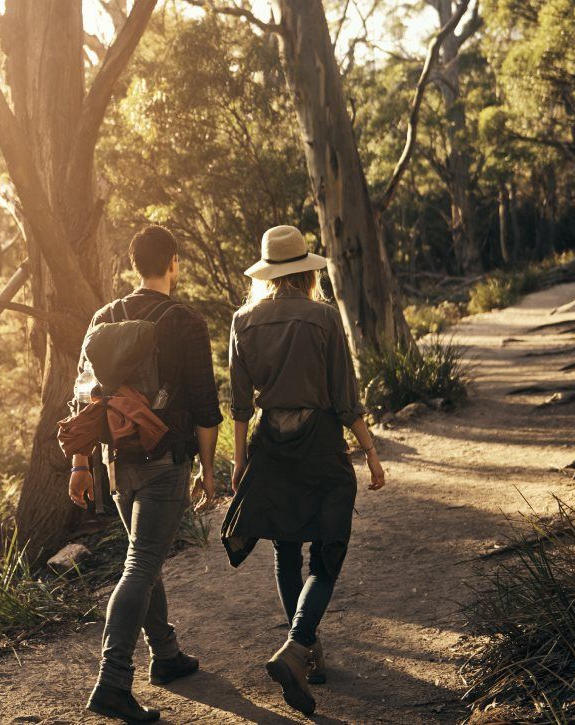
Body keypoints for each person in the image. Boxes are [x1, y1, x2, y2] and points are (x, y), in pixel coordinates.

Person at [221, 225, 387, 717]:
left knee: (286, 547)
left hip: (269, 444)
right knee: (329, 550)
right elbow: (344, 396)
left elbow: (239, 404)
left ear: (268, 273)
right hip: (319, 444)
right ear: (305, 271)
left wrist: (240, 462)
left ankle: (308, 652)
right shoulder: (323, 317)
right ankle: (297, 649)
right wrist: (371, 452)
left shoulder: (242, 320)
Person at [69, 225, 223, 723]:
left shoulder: (103, 316)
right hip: (164, 462)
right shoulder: (184, 320)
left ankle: (167, 655)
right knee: (141, 564)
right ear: (173, 263)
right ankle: (112, 682)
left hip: (116, 465)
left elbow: (81, 398)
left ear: (135, 265)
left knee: (144, 555)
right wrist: (208, 470)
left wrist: (79, 464)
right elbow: (204, 405)